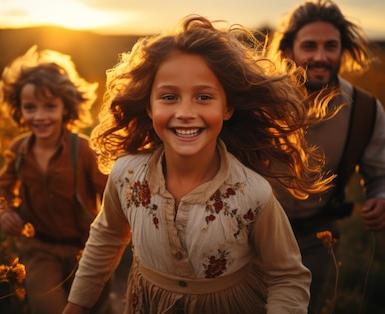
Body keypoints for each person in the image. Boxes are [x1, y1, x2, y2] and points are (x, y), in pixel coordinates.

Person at [63, 15, 335, 314]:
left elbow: (287, 277)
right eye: (169, 97)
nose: (186, 112)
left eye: (204, 97)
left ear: (227, 107)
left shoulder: (253, 193)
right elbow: (107, 237)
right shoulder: (126, 175)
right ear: (149, 107)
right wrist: (76, 306)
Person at [266, 1, 385, 312]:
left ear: (342, 50)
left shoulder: (365, 110)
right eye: (309, 45)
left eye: (330, 46)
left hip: (315, 241)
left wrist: (380, 196)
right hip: (248, 237)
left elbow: (379, 174)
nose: (320, 56)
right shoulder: (259, 100)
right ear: (289, 50)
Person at [0, 45, 112, 314]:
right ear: (18, 110)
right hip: (39, 248)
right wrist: (4, 212)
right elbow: (2, 189)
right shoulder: (18, 150)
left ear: (65, 108)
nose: (39, 116)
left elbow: (109, 194)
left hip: (86, 247)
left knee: (96, 307)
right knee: (46, 304)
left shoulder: (82, 149)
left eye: (50, 106)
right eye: (30, 107)